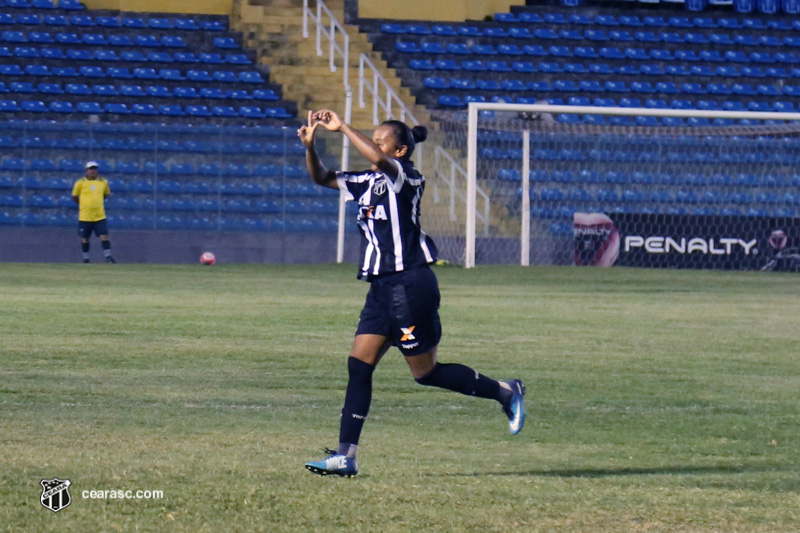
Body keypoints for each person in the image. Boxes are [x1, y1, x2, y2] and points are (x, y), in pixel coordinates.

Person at [297, 110, 526, 478]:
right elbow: (321, 176)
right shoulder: (365, 181)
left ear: (400, 151)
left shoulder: (406, 178)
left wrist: (342, 129)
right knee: (359, 365)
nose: (373, 145)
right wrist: (310, 148)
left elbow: (377, 159)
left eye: (380, 140)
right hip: (381, 288)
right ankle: (346, 456)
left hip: (410, 284)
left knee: (425, 373)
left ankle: (505, 392)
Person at [71, 161, 115, 264]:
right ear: (86, 171)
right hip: (85, 216)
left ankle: (108, 257)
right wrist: (83, 205)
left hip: (99, 215)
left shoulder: (103, 182)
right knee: (85, 238)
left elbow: (106, 194)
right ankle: (86, 258)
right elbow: (74, 196)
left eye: (94, 169)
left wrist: (97, 202)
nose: (93, 171)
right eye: (91, 169)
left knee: (104, 235)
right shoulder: (80, 183)